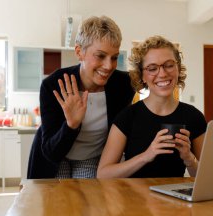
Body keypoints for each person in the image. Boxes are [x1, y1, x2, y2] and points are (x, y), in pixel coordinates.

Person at [27, 16, 134, 179]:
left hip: (91, 157)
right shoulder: (54, 85)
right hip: (56, 157)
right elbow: (51, 152)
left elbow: (154, 77)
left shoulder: (124, 84)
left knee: (86, 201)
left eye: (114, 57)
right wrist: (71, 124)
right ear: (79, 52)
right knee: (60, 200)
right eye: (100, 55)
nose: (108, 66)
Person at [97, 35, 207, 178]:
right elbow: (103, 174)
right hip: (133, 198)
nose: (162, 74)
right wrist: (146, 156)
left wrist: (188, 158)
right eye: (152, 68)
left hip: (174, 199)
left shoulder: (194, 117)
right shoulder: (127, 117)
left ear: (178, 68)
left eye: (169, 65)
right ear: (142, 75)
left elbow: (207, 178)